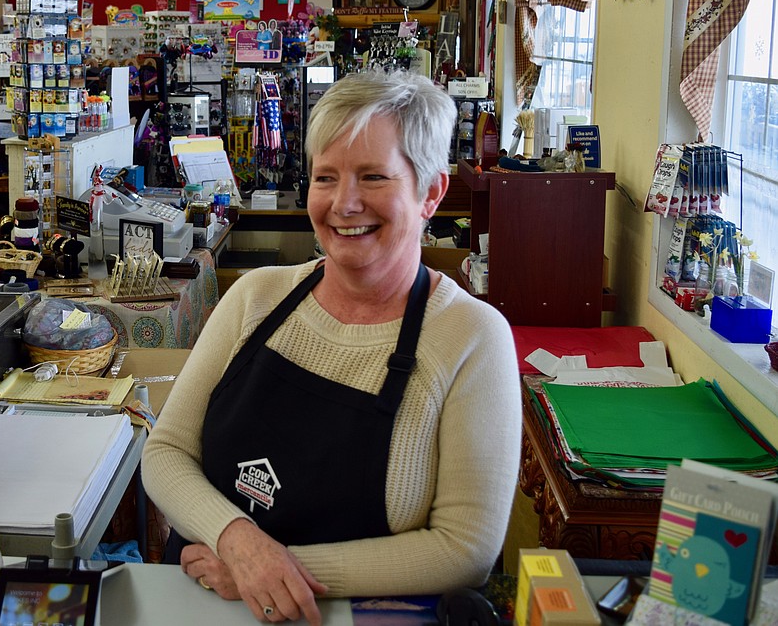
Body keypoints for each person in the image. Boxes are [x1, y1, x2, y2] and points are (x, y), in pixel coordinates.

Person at [141, 70, 521, 625]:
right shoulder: (255, 297)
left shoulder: (471, 338)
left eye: (372, 177)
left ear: (430, 193)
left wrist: (273, 571)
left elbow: (464, 549)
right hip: (198, 604)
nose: (344, 204)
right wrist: (238, 542)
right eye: (326, 177)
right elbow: (167, 453)